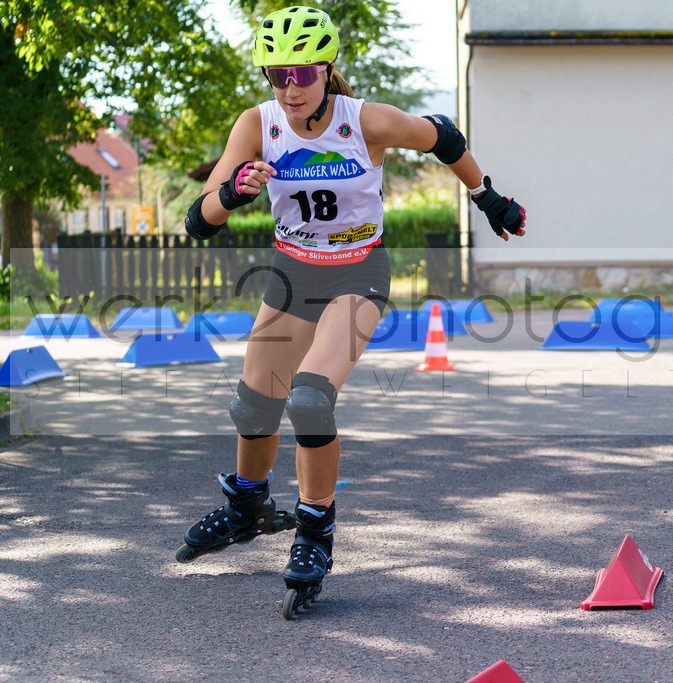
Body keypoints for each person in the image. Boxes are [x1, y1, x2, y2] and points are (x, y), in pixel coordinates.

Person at [175, 5, 526, 619]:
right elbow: (197, 221)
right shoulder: (257, 125)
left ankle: (315, 530)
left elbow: (442, 134)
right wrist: (230, 194)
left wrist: (488, 197)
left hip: (358, 274)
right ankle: (248, 506)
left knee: (309, 397)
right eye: (275, 74)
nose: (288, 88)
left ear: (327, 68)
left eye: (302, 74)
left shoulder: (363, 121)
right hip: (292, 273)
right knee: (253, 402)